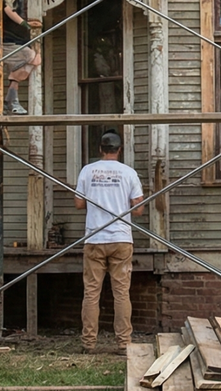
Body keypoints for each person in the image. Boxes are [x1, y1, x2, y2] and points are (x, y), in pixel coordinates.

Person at [74, 131, 144, 354]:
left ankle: (88, 344)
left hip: (95, 237)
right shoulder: (129, 173)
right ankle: (124, 344)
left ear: (100, 149)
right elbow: (139, 208)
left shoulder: (88, 171)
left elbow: (78, 204)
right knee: (121, 292)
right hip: (121, 239)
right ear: (119, 149)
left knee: (91, 292)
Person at [0, 0, 41, 114]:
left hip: (21, 43)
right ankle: (11, 101)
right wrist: (25, 24)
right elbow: (6, 9)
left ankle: (11, 100)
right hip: (7, 42)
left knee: (36, 60)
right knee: (30, 56)